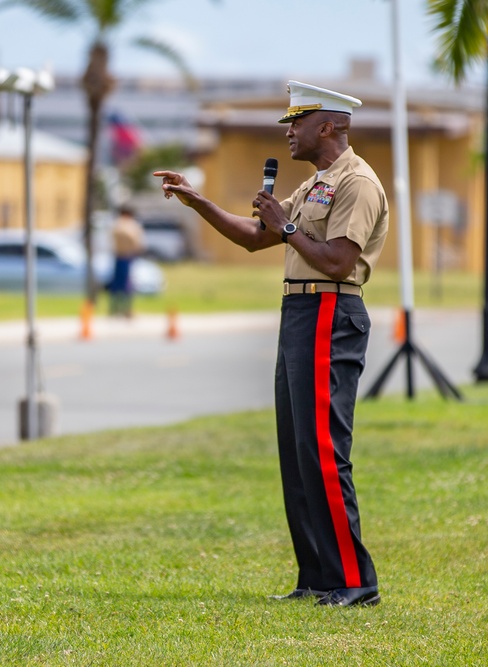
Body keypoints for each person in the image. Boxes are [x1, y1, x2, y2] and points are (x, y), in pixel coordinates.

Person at [155, 81, 388, 607]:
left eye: (297, 122)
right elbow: (252, 234)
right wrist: (198, 201)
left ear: (326, 125)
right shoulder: (314, 185)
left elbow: (337, 260)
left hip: (332, 307)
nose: (288, 131)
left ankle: (355, 581)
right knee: (298, 450)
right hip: (300, 309)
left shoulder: (358, 182)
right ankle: (317, 577)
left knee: (325, 449)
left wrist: (285, 230)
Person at [109, 204, 145, 317]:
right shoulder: (126, 225)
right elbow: (135, 240)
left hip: (123, 256)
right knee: (124, 284)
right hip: (124, 256)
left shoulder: (119, 224)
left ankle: (120, 309)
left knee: (121, 284)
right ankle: (121, 309)